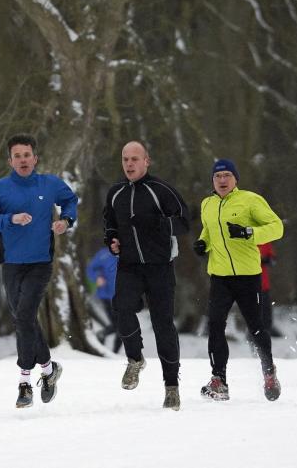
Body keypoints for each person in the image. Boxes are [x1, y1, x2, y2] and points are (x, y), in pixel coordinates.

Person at [0, 133, 78, 408]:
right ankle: (48, 368)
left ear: (35, 158)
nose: (23, 160)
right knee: (25, 319)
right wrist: (9, 219)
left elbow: (71, 201)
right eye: (17, 156)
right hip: (11, 263)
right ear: (10, 160)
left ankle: (24, 383)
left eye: (27, 155)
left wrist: (65, 221)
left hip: (40, 263)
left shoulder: (50, 183)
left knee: (23, 316)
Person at [103, 140, 189, 411]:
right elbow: (109, 224)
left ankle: (171, 387)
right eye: (125, 159)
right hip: (129, 265)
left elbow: (184, 221)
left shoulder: (160, 190)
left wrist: (158, 224)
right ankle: (135, 359)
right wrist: (112, 240)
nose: (129, 164)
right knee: (122, 307)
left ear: (146, 161)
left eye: (134, 159)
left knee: (163, 324)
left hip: (159, 266)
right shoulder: (115, 192)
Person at [193, 159, 284, 402]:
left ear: (235, 179)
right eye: (217, 176)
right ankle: (219, 380)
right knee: (215, 325)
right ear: (212, 180)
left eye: (226, 175)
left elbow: (276, 228)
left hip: (248, 276)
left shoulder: (250, 200)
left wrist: (249, 233)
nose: (222, 180)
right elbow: (209, 231)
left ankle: (268, 372)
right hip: (220, 277)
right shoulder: (207, 204)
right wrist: (203, 243)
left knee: (255, 326)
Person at [86, 245, 122, 353]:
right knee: (119, 326)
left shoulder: (128, 252)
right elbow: (90, 269)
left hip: (123, 295)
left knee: (121, 327)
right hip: (106, 295)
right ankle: (111, 352)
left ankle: (112, 352)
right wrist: (97, 277)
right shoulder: (103, 254)